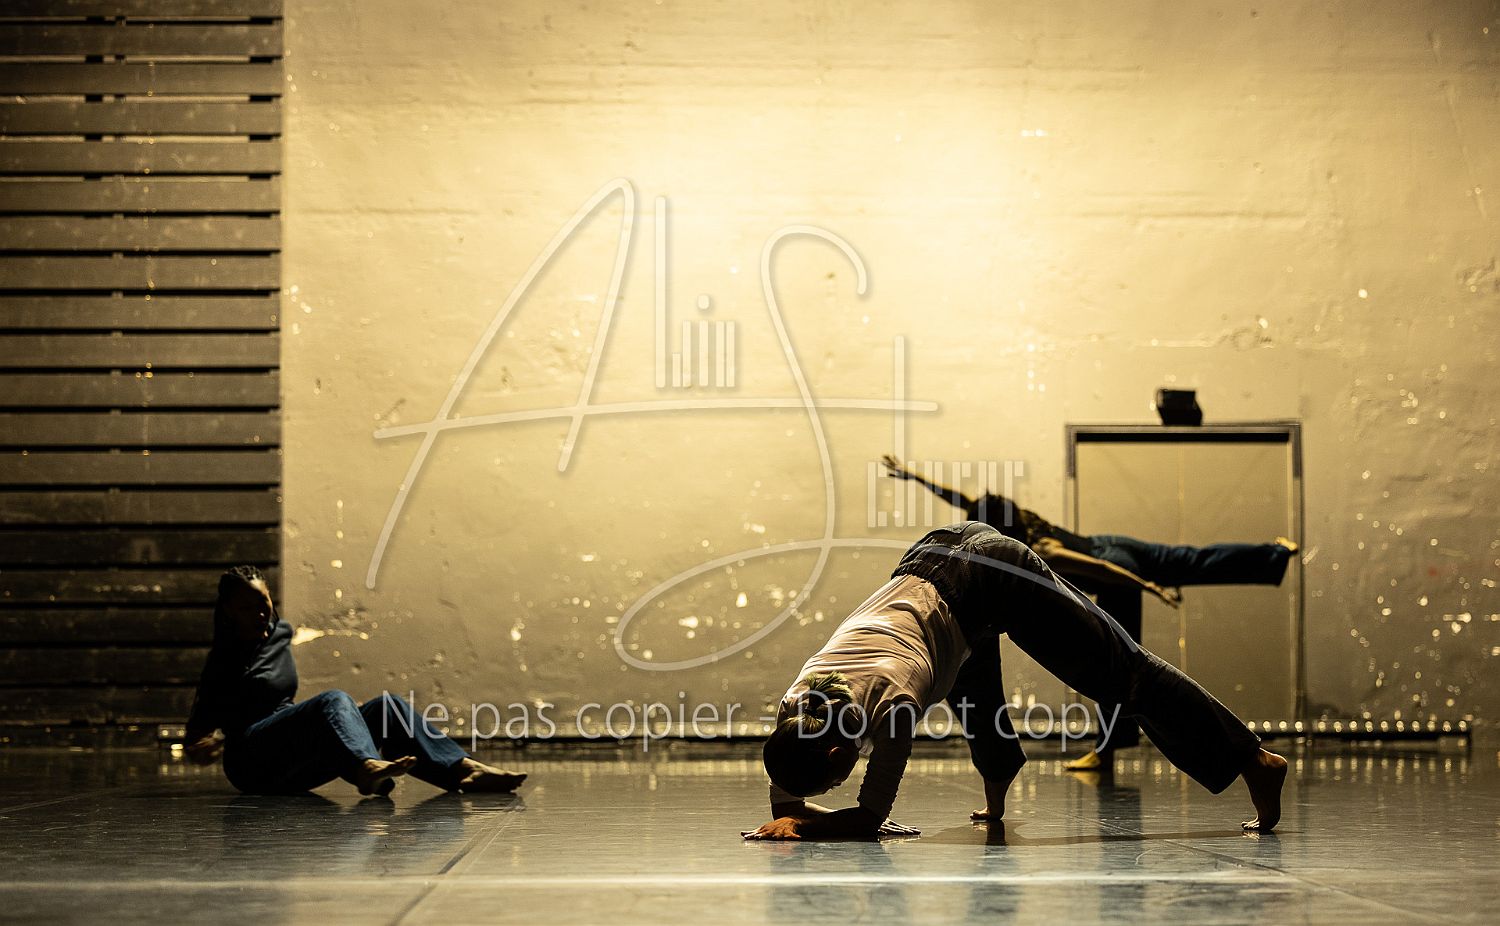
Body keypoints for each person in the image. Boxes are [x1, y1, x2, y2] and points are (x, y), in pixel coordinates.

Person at [745, 522, 1287, 841]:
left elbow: (868, 818)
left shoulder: (895, 703)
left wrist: (809, 825)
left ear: (839, 752)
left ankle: (1252, 760)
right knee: (974, 698)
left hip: (991, 571)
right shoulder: (797, 707)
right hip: (933, 563)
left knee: (1119, 674)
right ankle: (997, 793)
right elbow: (788, 805)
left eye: (833, 782)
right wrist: (796, 818)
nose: (833, 790)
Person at [882, 454, 1298, 769]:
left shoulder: (1040, 550)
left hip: (1116, 569)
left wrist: (1147, 587)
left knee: (1115, 665)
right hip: (1115, 542)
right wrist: (914, 476)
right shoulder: (1018, 517)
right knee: (1189, 560)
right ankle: (1274, 555)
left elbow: (1101, 570)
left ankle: (1106, 750)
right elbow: (959, 496)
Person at [183, 565, 526, 796]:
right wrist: (205, 748)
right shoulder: (223, 660)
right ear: (228, 611)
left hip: (293, 759)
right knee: (333, 700)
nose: (260, 614)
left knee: (388, 708)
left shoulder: (279, 632)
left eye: (264, 603)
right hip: (253, 765)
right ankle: (365, 767)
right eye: (247, 609)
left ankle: (461, 769)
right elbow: (195, 740)